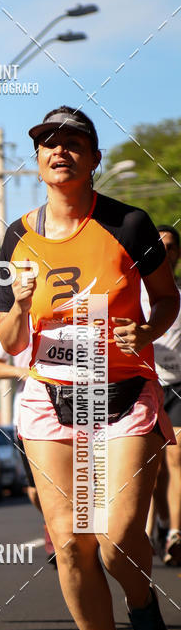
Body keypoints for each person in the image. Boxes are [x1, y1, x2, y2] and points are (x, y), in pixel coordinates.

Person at [0, 105, 179, 630]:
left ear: (94, 158)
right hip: (50, 396)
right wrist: (19, 303)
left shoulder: (129, 224)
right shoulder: (17, 236)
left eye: (73, 143)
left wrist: (147, 335)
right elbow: (8, 340)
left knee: (117, 535)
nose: (59, 151)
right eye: (48, 143)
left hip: (122, 392)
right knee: (70, 541)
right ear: (39, 160)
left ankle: (143, 599)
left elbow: (166, 298)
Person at [0, 333, 56, 565]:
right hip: (28, 417)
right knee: (35, 490)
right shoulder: (18, 324)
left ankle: (68, 532)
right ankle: (51, 521)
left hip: (72, 412)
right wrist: (22, 371)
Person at [143, 225, 181, 565]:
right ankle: (146, 530)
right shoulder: (131, 291)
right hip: (143, 384)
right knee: (150, 468)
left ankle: (174, 535)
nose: (164, 251)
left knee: (176, 458)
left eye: (170, 246)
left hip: (178, 386)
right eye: (158, 246)